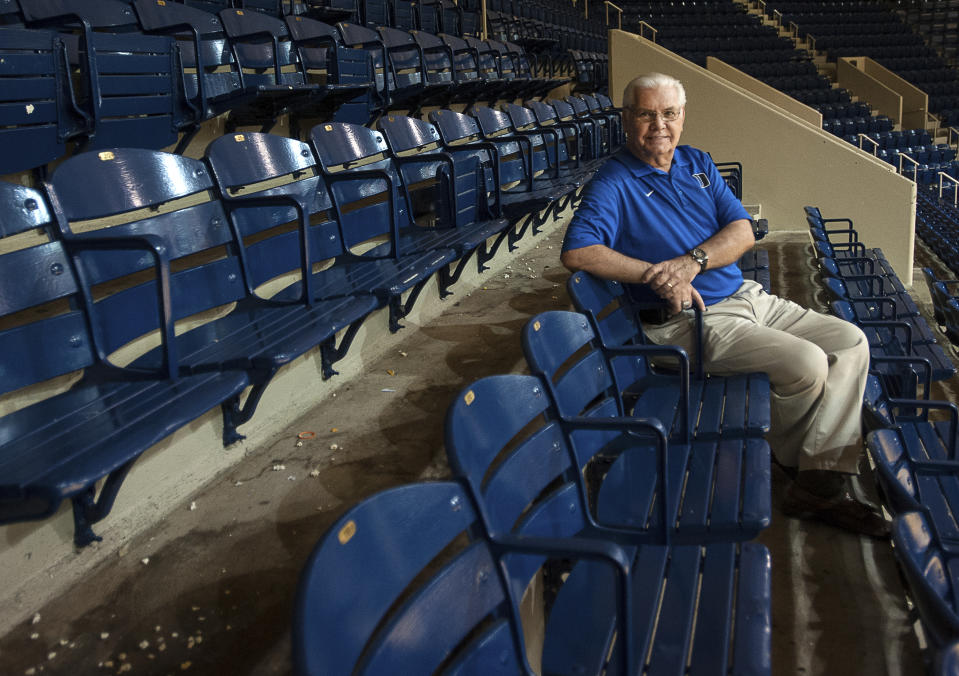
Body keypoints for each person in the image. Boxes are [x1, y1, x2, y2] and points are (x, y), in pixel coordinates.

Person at [561, 72, 885, 538]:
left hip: (748, 298)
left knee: (851, 342)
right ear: (626, 118)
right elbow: (579, 251)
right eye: (646, 114)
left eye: (669, 114)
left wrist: (691, 263)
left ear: (683, 118)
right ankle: (809, 479)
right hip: (688, 322)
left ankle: (819, 476)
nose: (659, 125)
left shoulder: (697, 163)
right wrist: (656, 273)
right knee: (808, 364)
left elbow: (742, 231)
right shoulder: (613, 181)